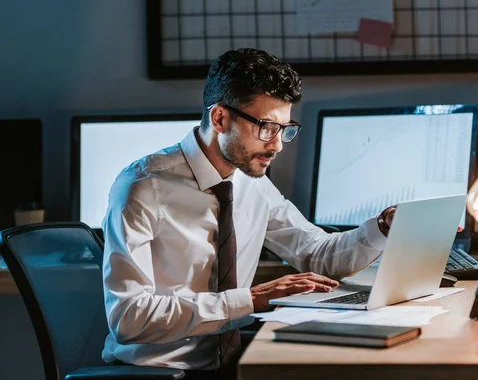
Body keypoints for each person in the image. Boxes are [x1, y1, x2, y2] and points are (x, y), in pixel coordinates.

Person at [101, 48, 395, 379]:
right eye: (266, 127)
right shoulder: (142, 187)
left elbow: (318, 254)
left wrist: (382, 228)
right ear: (220, 118)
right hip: (160, 372)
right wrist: (250, 299)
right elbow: (128, 318)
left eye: (285, 128)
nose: (277, 145)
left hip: (231, 363)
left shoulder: (250, 181)